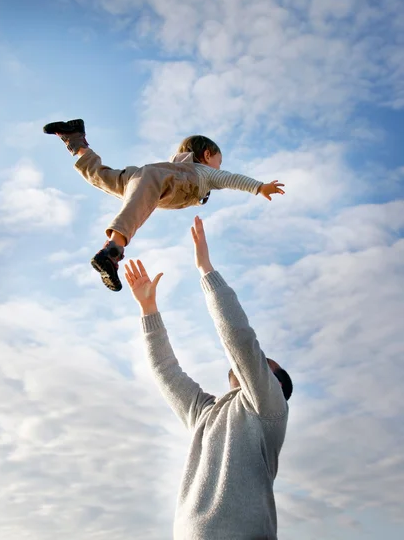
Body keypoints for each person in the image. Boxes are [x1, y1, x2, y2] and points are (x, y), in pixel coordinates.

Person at [125, 215, 292, 540]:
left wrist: (205, 270)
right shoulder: (206, 413)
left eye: (265, 362)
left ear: (277, 383)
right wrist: (148, 310)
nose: (257, 362)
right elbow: (166, 372)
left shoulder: (269, 409)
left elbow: (240, 340)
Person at [43, 119, 285, 292]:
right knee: (137, 198)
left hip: (140, 177)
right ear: (208, 155)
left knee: (102, 177)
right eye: (218, 162)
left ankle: (76, 140)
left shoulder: (176, 164)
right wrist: (259, 186)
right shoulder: (204, 172)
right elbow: (230, 179)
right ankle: (112, 250)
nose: (219, 168)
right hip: (164, 180)